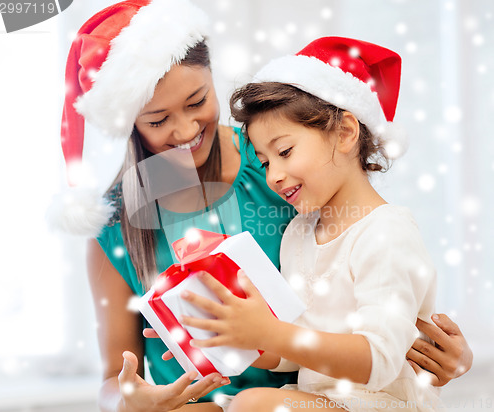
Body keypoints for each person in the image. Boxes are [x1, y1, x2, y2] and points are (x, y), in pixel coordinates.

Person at [49, 0, 472, 410]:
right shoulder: (116, 220)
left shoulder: (281, 158)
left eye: (197, 101)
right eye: (158, 120)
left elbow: (372, 267)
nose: (185, 130)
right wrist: (128, 401)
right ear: (130, 124)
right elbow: (114, 376)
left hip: (304, 398)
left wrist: (449, 355)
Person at [176, 37, 471, 411]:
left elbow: (379, 362)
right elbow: (293, 356)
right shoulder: (298, 235)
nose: (273, 177)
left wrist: (271, 332)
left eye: (284, 152)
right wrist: (230, 333)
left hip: (382, 403)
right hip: (321, 401)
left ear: (346, 132)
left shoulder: (386, 233)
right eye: (266, 163)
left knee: (252, 404)